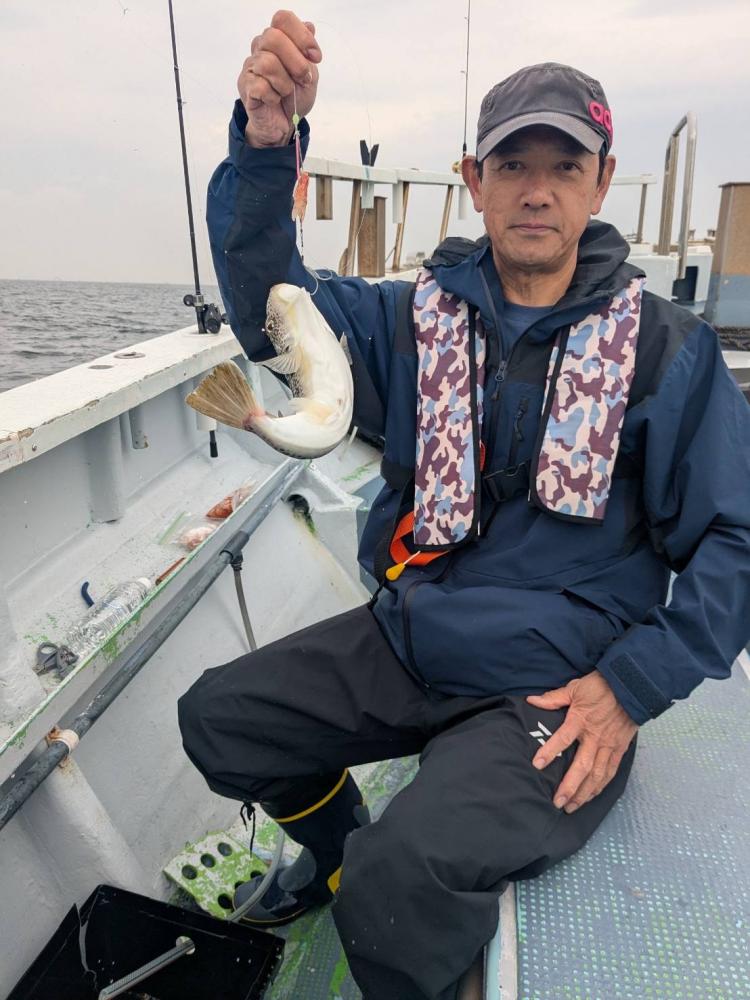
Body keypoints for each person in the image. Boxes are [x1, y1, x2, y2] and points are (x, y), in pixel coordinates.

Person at [178, 11, 750, 999]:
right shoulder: (408, 318)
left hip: (558, 685)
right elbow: (274, 308)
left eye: (565, 166)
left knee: (402, 884)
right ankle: (337, 850)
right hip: (416, 635)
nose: (537, 189)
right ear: (473, 179)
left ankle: (391, 899)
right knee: (221, 720)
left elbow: (735, 540)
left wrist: (632, 686)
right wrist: (268, 146)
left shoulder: (668, 349)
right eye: (512, 164)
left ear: (601, 182)